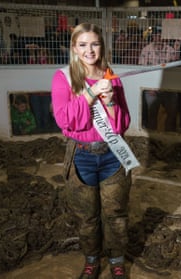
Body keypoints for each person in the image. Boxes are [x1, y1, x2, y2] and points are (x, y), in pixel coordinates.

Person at [51, 22, 132, 279]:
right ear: (74, 47)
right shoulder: (63, 78)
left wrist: (109, 104)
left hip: (112, 155)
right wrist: (89, 94)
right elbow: (66, 121)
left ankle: (117, 262)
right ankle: (92, 261)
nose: (90, 50)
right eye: (83, 44)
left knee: (116, 215)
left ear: (101, 46)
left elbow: (123, 123)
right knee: (86, 218)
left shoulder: (111, 76)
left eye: (94, 43)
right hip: (81, 156)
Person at [139, 26, 180, 132]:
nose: (158, 38)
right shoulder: (146, 50)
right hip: (151, 88)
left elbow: (176, 69)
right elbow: (142, 70)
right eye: (156, 35)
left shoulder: (170, 50)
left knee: (172, 113)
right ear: (153, 37)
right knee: (152, 112)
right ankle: (152, 136)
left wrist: (177, 51)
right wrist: (149, 88)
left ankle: (168, 135)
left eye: (161, 36)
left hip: (168, 88)